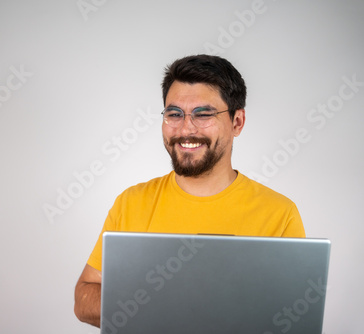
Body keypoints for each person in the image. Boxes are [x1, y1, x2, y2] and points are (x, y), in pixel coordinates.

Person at [73, 54, 305, 328]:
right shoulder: (131, 203)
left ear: (237, 122)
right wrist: (169, 303)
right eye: (174, 114)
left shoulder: (279, 213)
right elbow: (84, 298)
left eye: (203, 114)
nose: (185, 129)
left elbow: (297, 317)